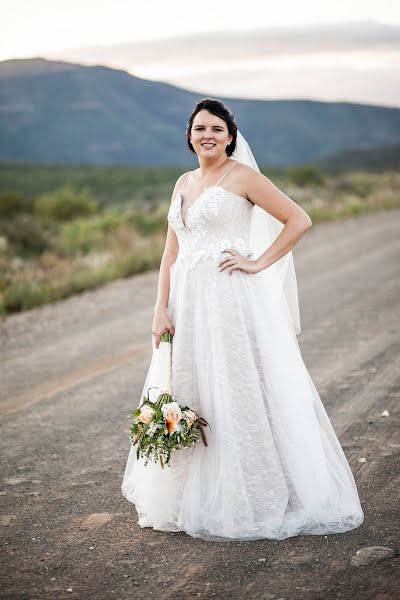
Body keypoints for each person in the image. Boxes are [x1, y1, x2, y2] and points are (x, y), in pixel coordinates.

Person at [121, 97, 364, 541]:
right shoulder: (183, 182)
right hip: (188, 302)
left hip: (230, 300)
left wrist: (257, 263)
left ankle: (254, 494)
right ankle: (192, 494)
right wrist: (161, 307)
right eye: (200, 129)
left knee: (238, 387)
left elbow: (298, 219)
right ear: (190, 137)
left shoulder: (244, 178)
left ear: (230, 136)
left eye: (216, 128)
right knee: (192, 387)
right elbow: (171, 252)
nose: (208, 135)